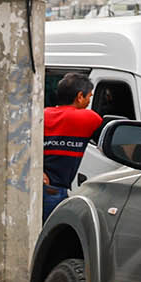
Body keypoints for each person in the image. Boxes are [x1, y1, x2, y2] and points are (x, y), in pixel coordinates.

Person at [42, 73, 102, 218]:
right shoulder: (89, 118)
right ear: (80, 96)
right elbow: (110, 140)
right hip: (54, 191)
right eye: (89, 97)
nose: (88, 102)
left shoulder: (42, 114)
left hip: (37, 184)